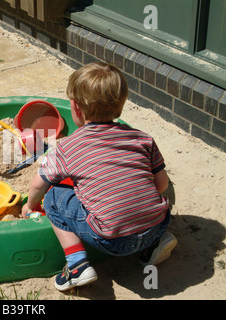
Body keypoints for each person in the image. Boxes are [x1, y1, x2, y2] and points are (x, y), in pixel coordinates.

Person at [22, 62, 177, 291]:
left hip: (112, 240)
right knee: (142, 203)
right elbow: (161, 185)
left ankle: (77, 264)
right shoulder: (142, 138)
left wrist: (30, 204)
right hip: (157, 224)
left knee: (53, 193)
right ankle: (152, 245)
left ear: (74, 108)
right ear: (120, 105)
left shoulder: (69, 147)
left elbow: (38, 184)